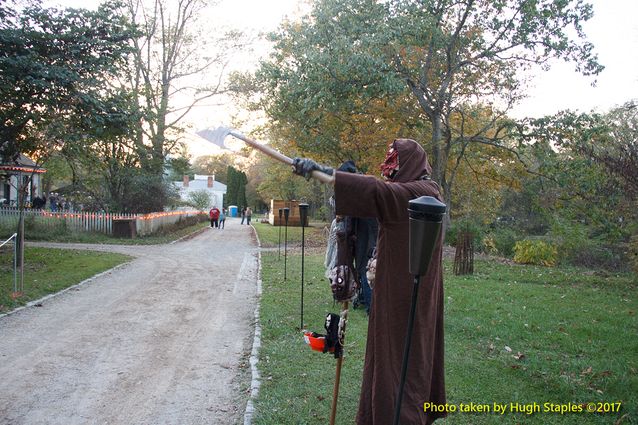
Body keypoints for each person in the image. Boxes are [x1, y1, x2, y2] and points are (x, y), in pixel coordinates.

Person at [292, 139, 446, 425]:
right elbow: (378, 196)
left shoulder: (422, 193)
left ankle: (401, 416)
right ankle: (381, 413)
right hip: (396, 288)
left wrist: (323, 172)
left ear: (411, 164)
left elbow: (378, 191)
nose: (389, 170)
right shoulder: (414, 191)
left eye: (394, 163)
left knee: (401, 358)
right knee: (388, 353)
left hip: (408, 295)